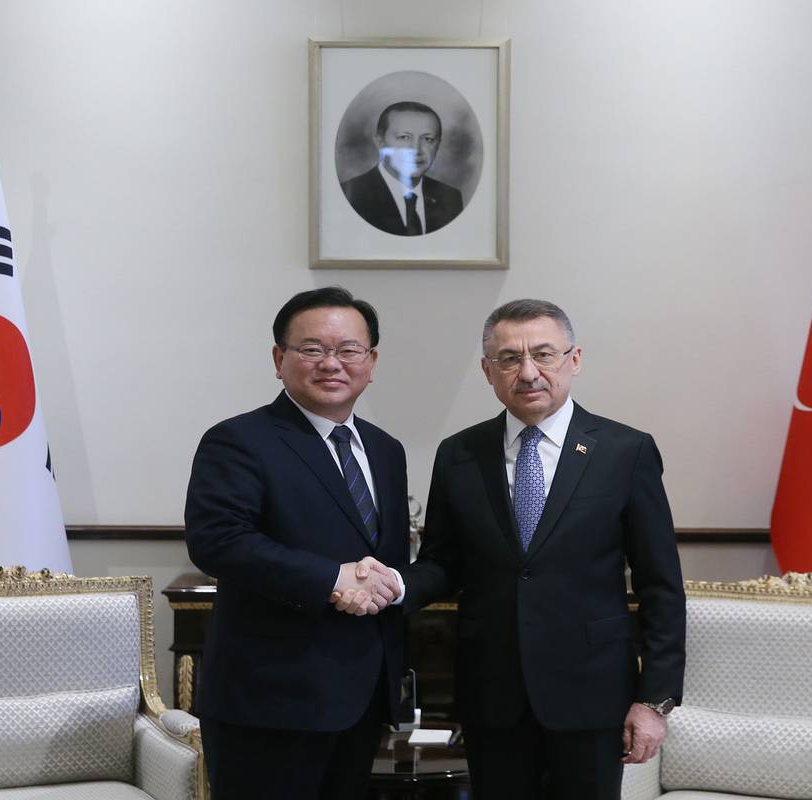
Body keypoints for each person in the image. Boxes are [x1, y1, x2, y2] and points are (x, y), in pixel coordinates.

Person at [354, 298, 686, 799]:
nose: (528, 372)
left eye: (544, 355)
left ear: (574, 360)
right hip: (494, 693)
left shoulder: (625, 451)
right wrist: (396, 583)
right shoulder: (459, 454)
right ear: (488, 371)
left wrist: (654, 700)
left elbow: (660, 584)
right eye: (509, 359)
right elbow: (444, 562)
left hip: (592, 693)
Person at [185, 286, 407, 800]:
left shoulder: (385, 450)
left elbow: (383, 558)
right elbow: (218, 541)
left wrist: (385, 583)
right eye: (312, 349)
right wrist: (334, 580)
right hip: (269, 703)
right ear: (279, 359)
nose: (332, 363)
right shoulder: (239, 439)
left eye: (349, 350)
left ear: (371, 361)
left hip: (361, 697)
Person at [340, 100, 464, 236]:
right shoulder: (351, 195)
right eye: (404, 137)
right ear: (380, 143)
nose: (416, 150)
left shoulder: (450, 197)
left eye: (427, 139)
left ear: (438, 144)